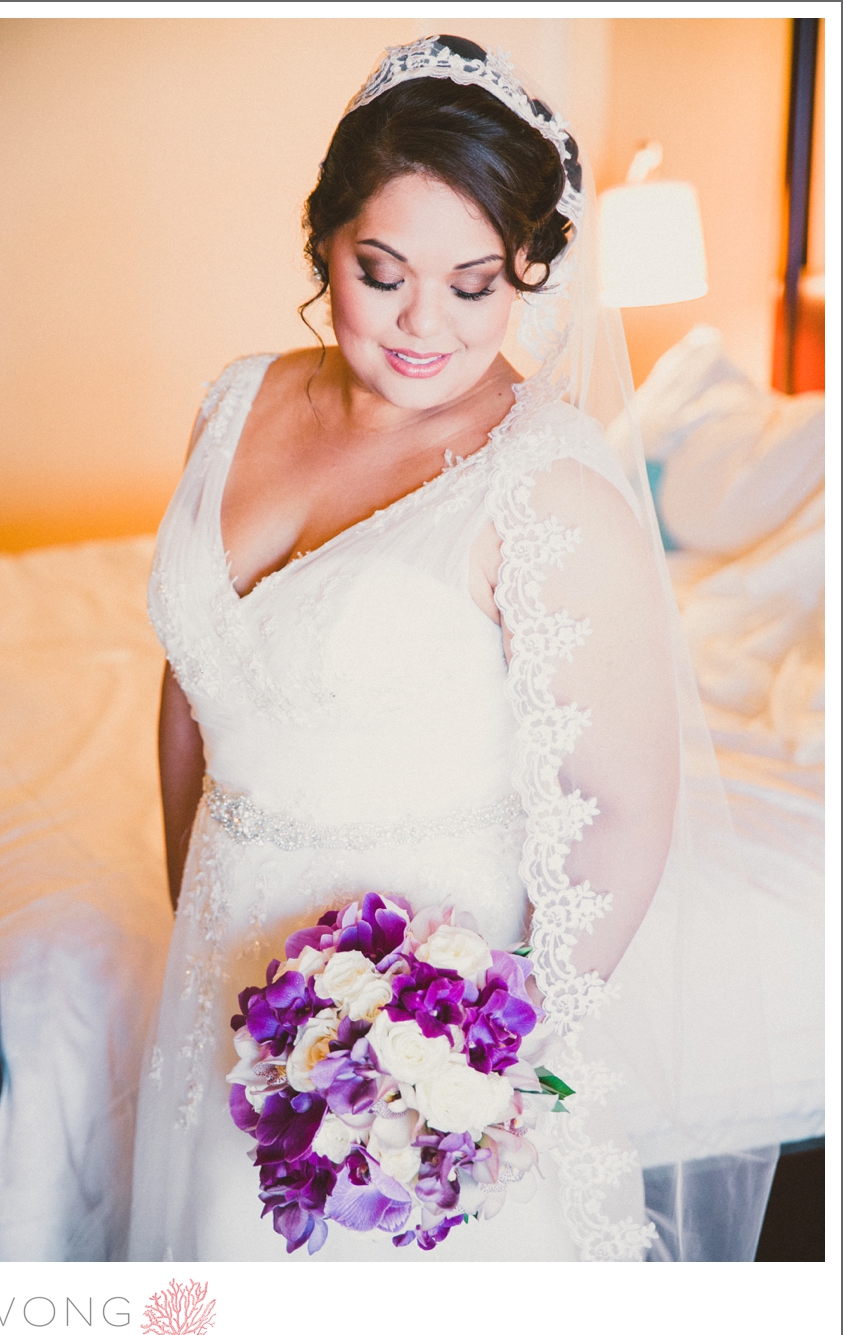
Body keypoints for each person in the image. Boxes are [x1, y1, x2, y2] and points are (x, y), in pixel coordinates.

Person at [127, 34, 777, 1263]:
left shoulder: (549, 481)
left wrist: (477, 1060)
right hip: (220, 954)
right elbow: (193, 680)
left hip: (410, 1041)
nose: (424, 323)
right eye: (381, 272)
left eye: (475, 285)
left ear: (526, 272)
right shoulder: (233, 400)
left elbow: (625, 807)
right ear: (323, 240)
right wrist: (187, 913)